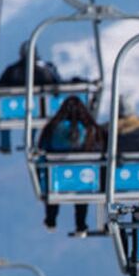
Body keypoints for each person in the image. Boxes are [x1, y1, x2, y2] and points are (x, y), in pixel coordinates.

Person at [36, 95, 103, 233]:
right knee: (82, 185)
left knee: (53, 184)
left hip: (56, 176)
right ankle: (81, 224)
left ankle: (51, 219)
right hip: (83, 178)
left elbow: (41, 150)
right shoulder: (89, 129)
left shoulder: (52, 128)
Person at [0, 41, 64, 153]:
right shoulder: (46, 68)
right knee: (37, 116)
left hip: (15, 110)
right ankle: (32, 141)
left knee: (4, 116)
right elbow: (59, 83)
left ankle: (5, 144)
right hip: (42, 109)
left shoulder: (12, 70)